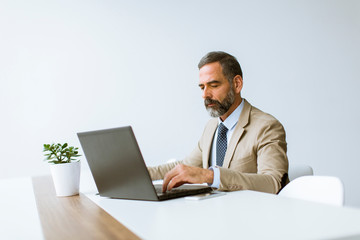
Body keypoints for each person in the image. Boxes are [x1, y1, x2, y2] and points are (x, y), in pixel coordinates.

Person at [148, 51, 288, 194]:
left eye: (213, 85)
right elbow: (184, 167)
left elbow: (273, 183)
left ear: (237, 84)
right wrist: (139, 173)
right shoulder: (212, 127)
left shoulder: (266, 127)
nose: (205, 95)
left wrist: (209, 175)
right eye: (202, 87)